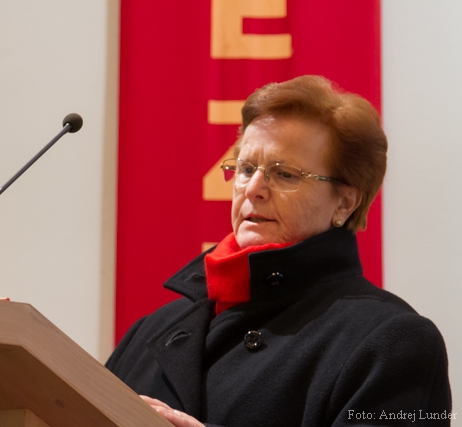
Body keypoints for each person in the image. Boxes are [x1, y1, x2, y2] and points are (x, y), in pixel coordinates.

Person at [106, 76, 452, 426]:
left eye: (284, 174)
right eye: (245, 169)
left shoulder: (392, 340)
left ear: (345, 203)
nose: (253, 188)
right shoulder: (151, 330)